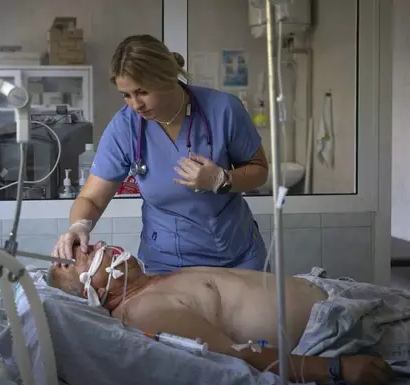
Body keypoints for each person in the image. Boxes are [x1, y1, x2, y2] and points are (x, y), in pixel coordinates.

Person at [48, 241, 399, 385]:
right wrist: (338, 369)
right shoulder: (143, 309)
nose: (96, 247)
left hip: (343, 300)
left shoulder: (155, 279)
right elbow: (236, 356)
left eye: (90, 244)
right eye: (85, 256)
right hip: (344, 337)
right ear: (89, 292)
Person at [53, 34, 269, 274]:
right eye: (126, 95)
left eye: (142, 92)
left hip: (235, 256)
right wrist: (79, 225)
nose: (135, 104)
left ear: (166, 79)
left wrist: (222, 179)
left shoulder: (223, 110)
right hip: (165, 263)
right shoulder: (126, 127)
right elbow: (91, 199)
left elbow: (260, 170)